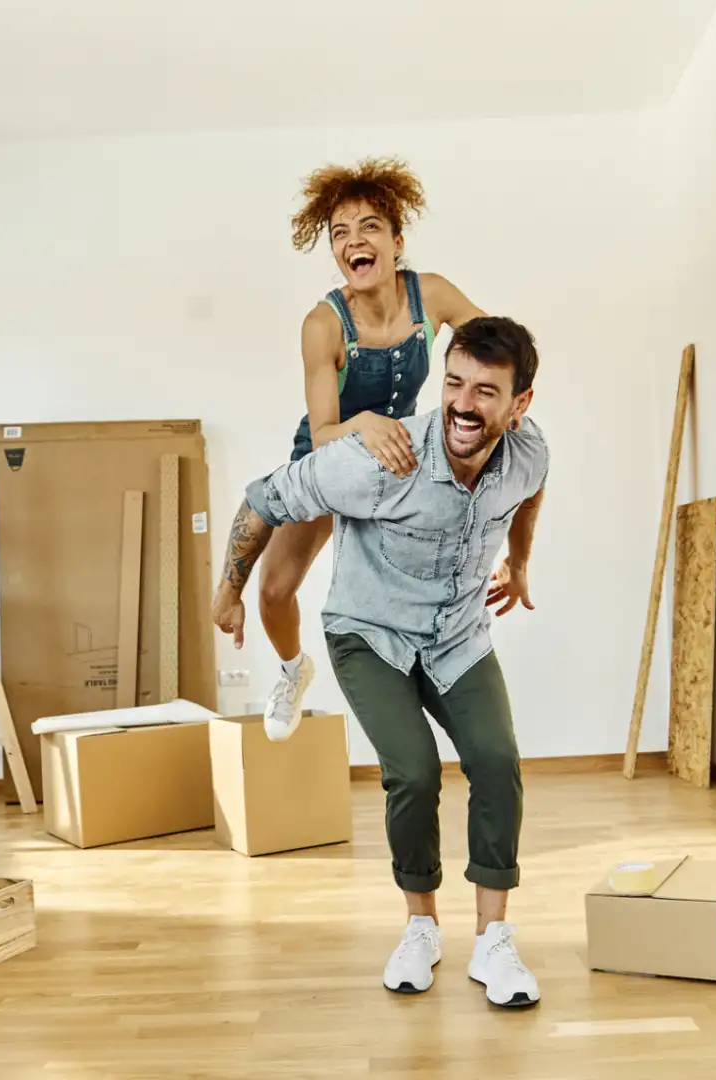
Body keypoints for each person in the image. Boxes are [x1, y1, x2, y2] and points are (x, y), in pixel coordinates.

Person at [212, 316, 549, 1007]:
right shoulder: (379, 460)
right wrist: (230, 590)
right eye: (454, 382)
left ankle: (492, 941)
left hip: (457, 636)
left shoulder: (528, 454)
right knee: (415, 772)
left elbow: (529, 491)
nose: (462, 402)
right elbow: (263, 498)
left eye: (487, 392)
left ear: (519, 407)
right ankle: (420, 927)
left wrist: (519, 562)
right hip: (371, 634)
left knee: (496, 759)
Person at [220, 157, 489, 742]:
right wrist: (363, 421)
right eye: (339, 233)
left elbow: (493, 348)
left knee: (403, 583)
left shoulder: (432, 294)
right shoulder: (323, 323)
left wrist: (486, 401)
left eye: (368, 227)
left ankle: (428, 673)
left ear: (396, 242)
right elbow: (321, 435)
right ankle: (294, 671)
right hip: (333, 452)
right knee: (274, 590)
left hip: (401, 458)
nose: (353, 242)